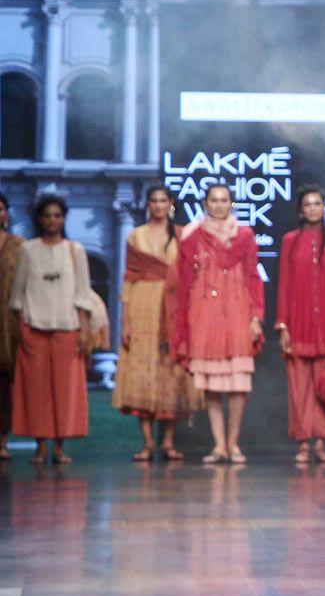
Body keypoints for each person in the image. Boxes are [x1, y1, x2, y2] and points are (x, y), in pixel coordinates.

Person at [172, 183, 264, 465]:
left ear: (231, 204)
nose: (219, 205)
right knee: (211, 385)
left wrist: (256, 317)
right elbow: (183, 279)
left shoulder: (245, 235)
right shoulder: (192, 234)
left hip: (237, 308)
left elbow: (253, 277)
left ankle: (234, 444)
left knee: (237, 384)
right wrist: (183, 321)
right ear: (205, 203)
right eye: (213, 200)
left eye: (224, 200)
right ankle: (219, 444)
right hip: (205, 311)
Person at [112, 184, 197, 460]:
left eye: (163, 200)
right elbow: (130, 278)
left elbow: (191, 277)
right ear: (148, 204)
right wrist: (126, 323)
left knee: (170, 372)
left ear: (170, 203)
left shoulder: (183, 235)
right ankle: (147, 443)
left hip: (175, 307)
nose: (158, 205)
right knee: (144, 370)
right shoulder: (135, 236)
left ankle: (168, 443)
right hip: (143, 305)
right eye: (154, 201)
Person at [8, 194, 92, 465]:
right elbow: (18, 293)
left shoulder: (74, 250)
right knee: (36, 390)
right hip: (34, 327)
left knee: (65, 390)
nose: (52, 220)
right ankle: (40, 446)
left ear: (64, 219)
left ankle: (59, 446)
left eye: (57, 215)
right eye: (47, 215)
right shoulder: (28, 249)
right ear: (39, 219)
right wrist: (21, 326)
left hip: (67, 327)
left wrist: (85, 330)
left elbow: (82, 293)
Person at [275, 185, 325, 465]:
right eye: (307, 204)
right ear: (301, 210)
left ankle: (321, 442)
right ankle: (303, 443)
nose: (312, 208)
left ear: (324, 207)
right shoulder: (290, 241)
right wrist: (283, 325)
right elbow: (283, 284)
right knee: (299, 386)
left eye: (317, 203)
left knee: (324, 385)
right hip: (298, 320)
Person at [0, 193, 24, 460]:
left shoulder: (20, 246)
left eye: (0, 209)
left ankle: (2, 440)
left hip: (9, 319)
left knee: (5, 384)